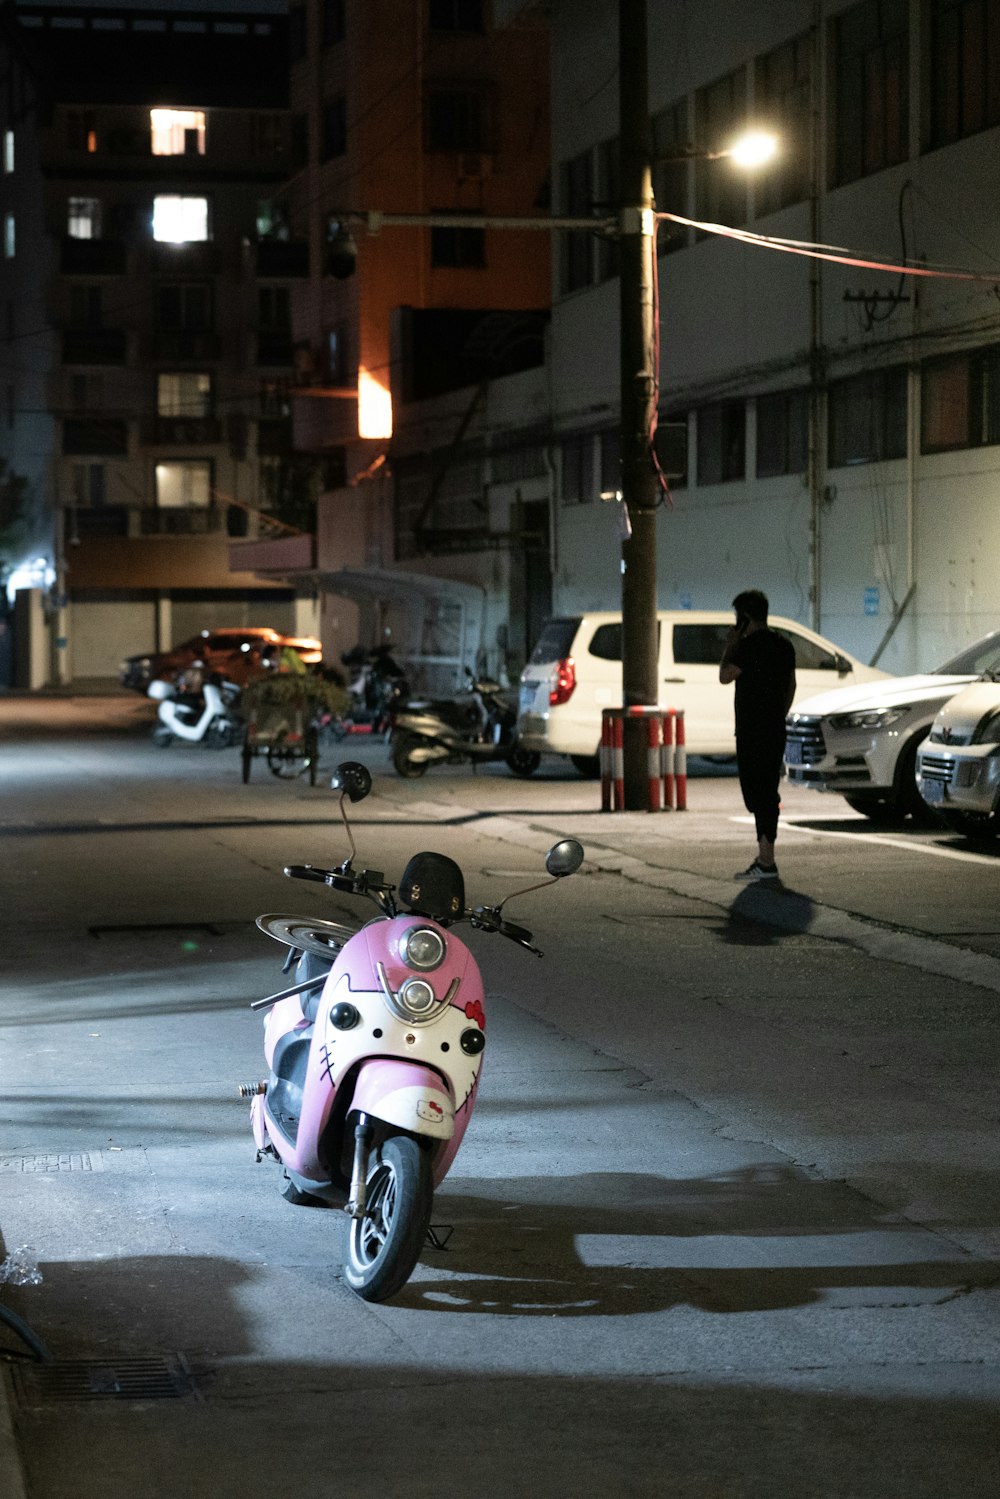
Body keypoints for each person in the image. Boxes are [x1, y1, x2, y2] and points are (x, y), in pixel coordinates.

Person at [719, 589, 796, 881]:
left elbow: (725, 676)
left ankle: (766, 861)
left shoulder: (746, 647)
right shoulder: (784, 645)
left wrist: (730, 645)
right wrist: (778, 714)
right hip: (775, 728)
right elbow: (791, 686)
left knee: (757, 793)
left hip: (751, 731)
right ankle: (766, 857)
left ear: (745, 617)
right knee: (768, 790)